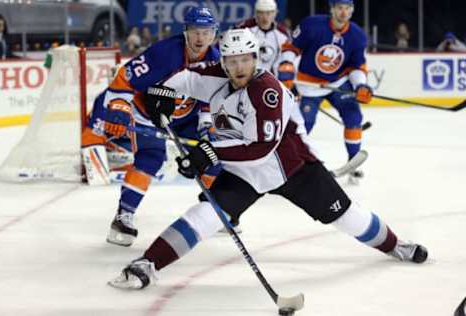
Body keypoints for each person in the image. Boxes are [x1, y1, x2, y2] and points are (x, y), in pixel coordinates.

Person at [108, 28, 428, 291]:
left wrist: (210, 153)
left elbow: (260, 147)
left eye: (245, 60)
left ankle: (397, 245)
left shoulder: (266, 91)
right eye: (232, 61)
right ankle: (147, 264)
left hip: (293, 168)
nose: (238, 68)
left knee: (347, 216)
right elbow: (187, 79)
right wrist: (161, 93)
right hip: (243, 173)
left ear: (255, 58)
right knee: (205, 214)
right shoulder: (217, 74)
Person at [80, 6, 221, 247]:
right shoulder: (165, 53)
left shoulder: (216, 61)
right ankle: (123, 216)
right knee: (151, 157)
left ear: (214, 34)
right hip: (149, 113)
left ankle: (214, 211)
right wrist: (120, 108)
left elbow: (213, 98)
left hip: (187, 117)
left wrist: (207, 126)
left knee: (214, 157)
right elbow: (125, 78)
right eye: (196, 31)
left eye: (206, 32)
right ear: (186, 31)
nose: (201, 38)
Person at [277, 0, 372, 184]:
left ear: (352, 10)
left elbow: (356, 66)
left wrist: (360, 85)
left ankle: (353, 164)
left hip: (338, 83)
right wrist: (286, 63)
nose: (343, 12)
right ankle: (288, 163)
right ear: (332, 9)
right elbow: (292, 47)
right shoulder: (312, 25)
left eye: (347, 8)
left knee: (353, 117)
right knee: (304, 125)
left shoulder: (357, 36)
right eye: (340, 8)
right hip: (309, 85)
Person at [235, 0, 290, 74]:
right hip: (248, 77)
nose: (265, 17)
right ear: (256, 13)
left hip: (273, 79)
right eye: (261, 13)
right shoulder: (244, 29)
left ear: (275, 13)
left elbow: (288, 57)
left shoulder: (283, 34)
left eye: (268, 13)